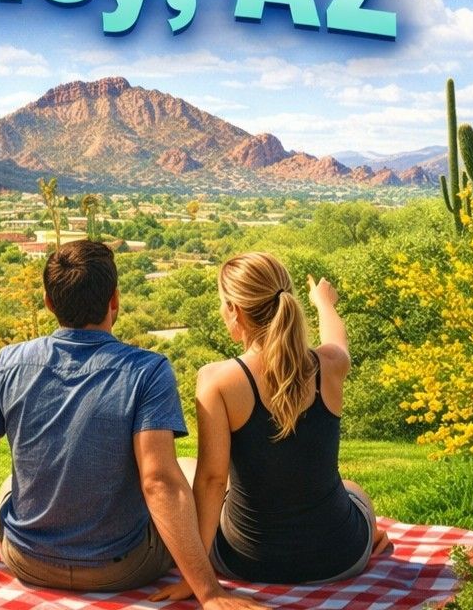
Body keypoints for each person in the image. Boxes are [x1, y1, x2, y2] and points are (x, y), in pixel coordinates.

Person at [0, 240, 263, 609]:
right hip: (125, 568)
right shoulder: (148, 371)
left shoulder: (9, 364)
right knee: (183, 474)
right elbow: (158, 482)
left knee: (9, 485)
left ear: (49, 302)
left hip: (28, 561)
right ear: (114, 300)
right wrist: (209, 592)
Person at [151, 253, 387, 602]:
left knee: (190, 468)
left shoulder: (216, 380)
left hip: (247, 561)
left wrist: (195, 579)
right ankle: (374, 532)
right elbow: (338, 340)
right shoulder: (331, 364)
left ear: (235, 310)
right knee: (353, 489)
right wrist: (324, 303)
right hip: (342, 556)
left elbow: (212, 480)